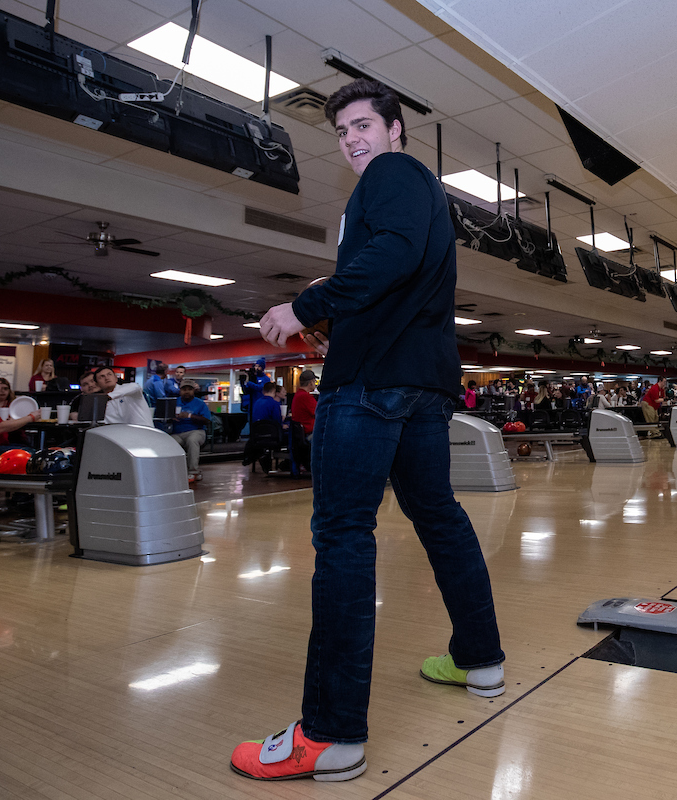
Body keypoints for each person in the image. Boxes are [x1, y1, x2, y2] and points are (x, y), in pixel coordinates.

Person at [236, 78, 504, 782]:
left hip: (373, 387)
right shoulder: (415, 189)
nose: (353, 139)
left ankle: (329, 735)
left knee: (345, 535)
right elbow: (402, 275)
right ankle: (480, 661)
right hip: (417, 380)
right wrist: (344, 327)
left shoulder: (393, 174)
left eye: (363, 124)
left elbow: (389, 257)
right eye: (343, 131)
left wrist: (307, 305)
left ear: (396, 130)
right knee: (438, 517)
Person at [170, 381, 211, 482]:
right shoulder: (174, 402)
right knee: (170, 443)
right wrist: (171, 418)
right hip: (177, 432)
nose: (186, 392)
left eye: (189, 389)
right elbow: (164, 417)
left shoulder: (200, 403)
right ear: (180, 391)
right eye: (184, 390)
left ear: (193, 391)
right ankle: (173, 471)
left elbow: (207, 421)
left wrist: (190, 416)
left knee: (192, 440)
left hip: (196, 431)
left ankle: (193, 471)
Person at [292, 369, 319, 440]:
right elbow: (318, 412)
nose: (315, 384)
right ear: (310, 383)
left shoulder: (298, 394)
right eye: (314, 381)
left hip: (302, 433)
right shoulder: (306, 397)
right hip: (309, 433)